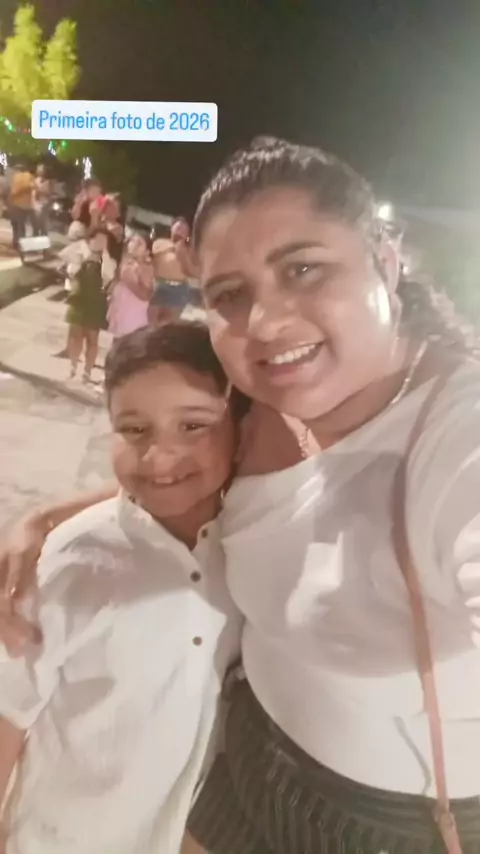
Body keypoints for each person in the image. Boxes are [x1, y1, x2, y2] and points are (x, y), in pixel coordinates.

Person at [2, 138, 480, 853]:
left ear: (385, 260)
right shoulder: (268, 405)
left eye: (303, 269)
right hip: (232, 763)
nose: (266, 322)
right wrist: (44, 523)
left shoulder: (455, 436)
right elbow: (184, 472)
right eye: (230, 294)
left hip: (375, 825)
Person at [0, 322, 242, 854]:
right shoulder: (72, 561)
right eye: (133, 430)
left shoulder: (248, 545)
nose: (159, 457)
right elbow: (8, 713)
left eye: (193, 426)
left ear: (240, 422)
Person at [65, 227, 114, 383]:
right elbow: (71, 271)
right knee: (75, 335)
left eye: (104, 240)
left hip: (96, 303)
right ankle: (73, 366)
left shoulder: (108, 260)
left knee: (92, 339)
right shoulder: (79, 254)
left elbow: (108, 276)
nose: (100, 243)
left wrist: (104, 257)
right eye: (97, 239)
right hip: (78, 300)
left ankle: (87, 371)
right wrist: (84, 255)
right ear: (90, 239)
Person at [149, 221, 202, 325]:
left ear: (187, 234)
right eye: (177, 228)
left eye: (183, 229)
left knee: (169, 324)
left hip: (179, 290)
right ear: (171, 229)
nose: (179, 231)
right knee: (151, 322)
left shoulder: (189, 252)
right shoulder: (160, 242)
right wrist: (176, 248)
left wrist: (182, 252)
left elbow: (192, 271)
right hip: (160, 287)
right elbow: (156, 251)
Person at [107, 233, 154, 337]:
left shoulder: (144, 268)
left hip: (132, 315)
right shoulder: (126, 264)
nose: (135, 245)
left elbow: (145, 295)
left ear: (147, 252)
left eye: (140, 243)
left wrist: (127, 275)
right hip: (121, 310)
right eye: (133, 241)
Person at [9, 163, 34, 250]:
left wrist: (18, 190)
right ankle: (16, 241)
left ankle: (20, 242)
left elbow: (31, 186)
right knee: (16, 223)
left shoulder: (27, 176)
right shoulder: (17, 177)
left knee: (19, 224)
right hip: (17, 203)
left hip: (22, 205)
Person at [32, 164, 52, 236]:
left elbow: (49, 193)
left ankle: (43, 237)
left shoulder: (48, 182)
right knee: (35, 224)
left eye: (41, 170)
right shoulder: (35, 180)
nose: (39, 172)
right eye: (38, 170)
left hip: (43, 204)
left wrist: (39, 191)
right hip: (35, 204)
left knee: (42, 224)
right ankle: (35, 236)